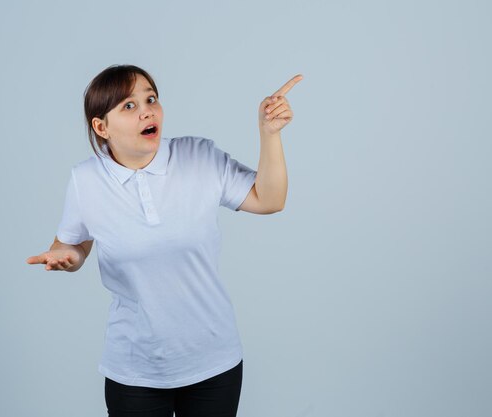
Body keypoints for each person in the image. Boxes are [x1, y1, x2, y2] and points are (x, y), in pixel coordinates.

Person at [26, 64, 301, 417]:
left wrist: (270, 134)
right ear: (101, 126)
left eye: (151, 98)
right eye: (128, 105)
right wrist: (66, 257)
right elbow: (73, 246)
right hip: (135, 368)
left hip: (214, 361)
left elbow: (270, 200)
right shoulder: (86, 180)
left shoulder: (199, 156)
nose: (147, 110)